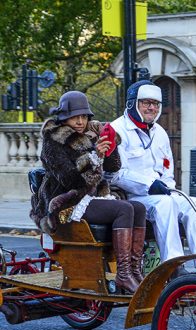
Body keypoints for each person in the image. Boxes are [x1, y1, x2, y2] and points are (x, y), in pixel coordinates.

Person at [30, 91, 146, 294]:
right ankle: (123, 274)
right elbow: (69, 179)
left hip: (91, 197)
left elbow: (113, 167)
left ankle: (134, 271)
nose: (80, 121)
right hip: (67, 203)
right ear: (64, 117)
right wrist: (94, 156)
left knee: (138, 208)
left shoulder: (88, 136)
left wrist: (109, 144)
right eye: (75, 117)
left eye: (84, 116)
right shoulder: (52, 142)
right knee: (124, 210)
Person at [109, 80, 196, 275]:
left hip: (160, 194)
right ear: (132, 103)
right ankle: (173, 265)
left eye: (156, 103)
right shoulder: (116, 130)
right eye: (146, 102)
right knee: (165, 205)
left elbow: (167, 168)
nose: (152, 107)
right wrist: (149, 185)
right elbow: (114, 174)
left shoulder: (160, 132)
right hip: (131, 198)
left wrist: (166, 186)